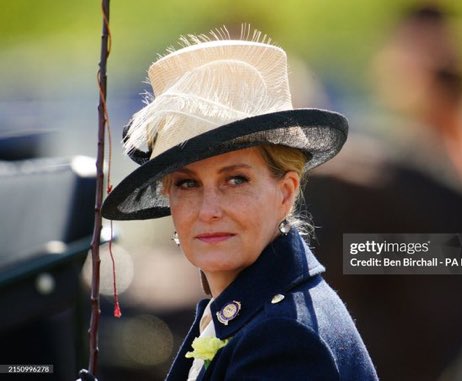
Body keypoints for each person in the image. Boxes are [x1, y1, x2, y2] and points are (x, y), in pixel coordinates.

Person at [100, 26, 378, 381]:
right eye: (187, 183)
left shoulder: (282, 337)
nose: (208, 209)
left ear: (286, 192)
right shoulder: (247, 314)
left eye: (235, 180)